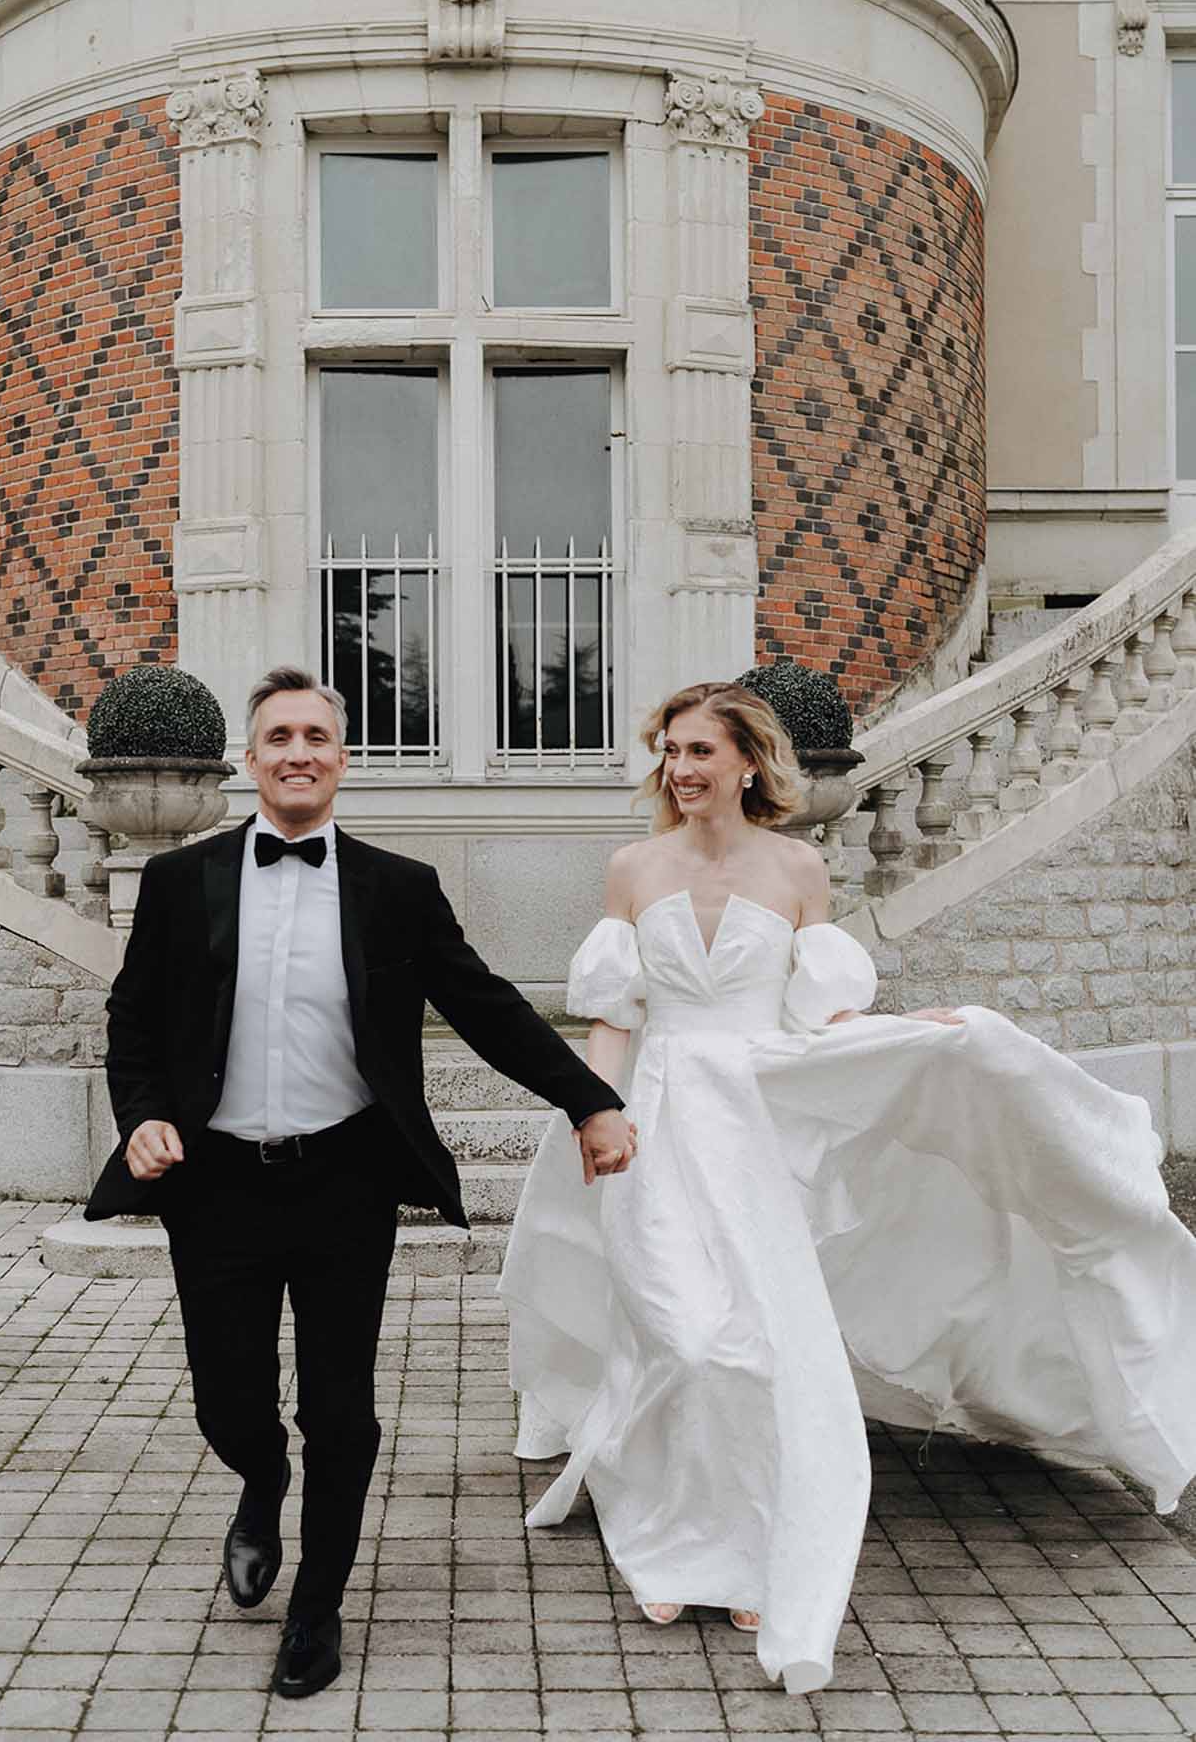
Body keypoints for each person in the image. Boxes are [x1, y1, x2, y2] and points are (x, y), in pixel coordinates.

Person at [499, 678, 1196, 1696]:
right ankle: (671, 1535)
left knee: (748, 1342)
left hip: (754, 1123)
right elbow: (613, 1011)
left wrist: (924, 1035)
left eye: (700, 750)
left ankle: (736, 1545)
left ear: (747, 760)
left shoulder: (796, 868)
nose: (681, 770)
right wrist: (591, 1111)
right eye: (670, 752)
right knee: (680, 1329)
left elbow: (816, 1021)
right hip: (654, 1118)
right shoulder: (631, 867)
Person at [84, 663, 636, 1700]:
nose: (297, 752)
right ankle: (259, 1480)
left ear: (343, 759)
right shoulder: (179, 882)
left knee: (341, 1408)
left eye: (316, 736)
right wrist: (145, 1115)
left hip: (345, 1178)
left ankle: (316, 1606)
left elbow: (489, 1007)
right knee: (229, 1401)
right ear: (250, 761)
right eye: (278, 736)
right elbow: (133, 1021)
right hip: (218, 1187)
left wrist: (586, 1098)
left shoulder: (397, 888)